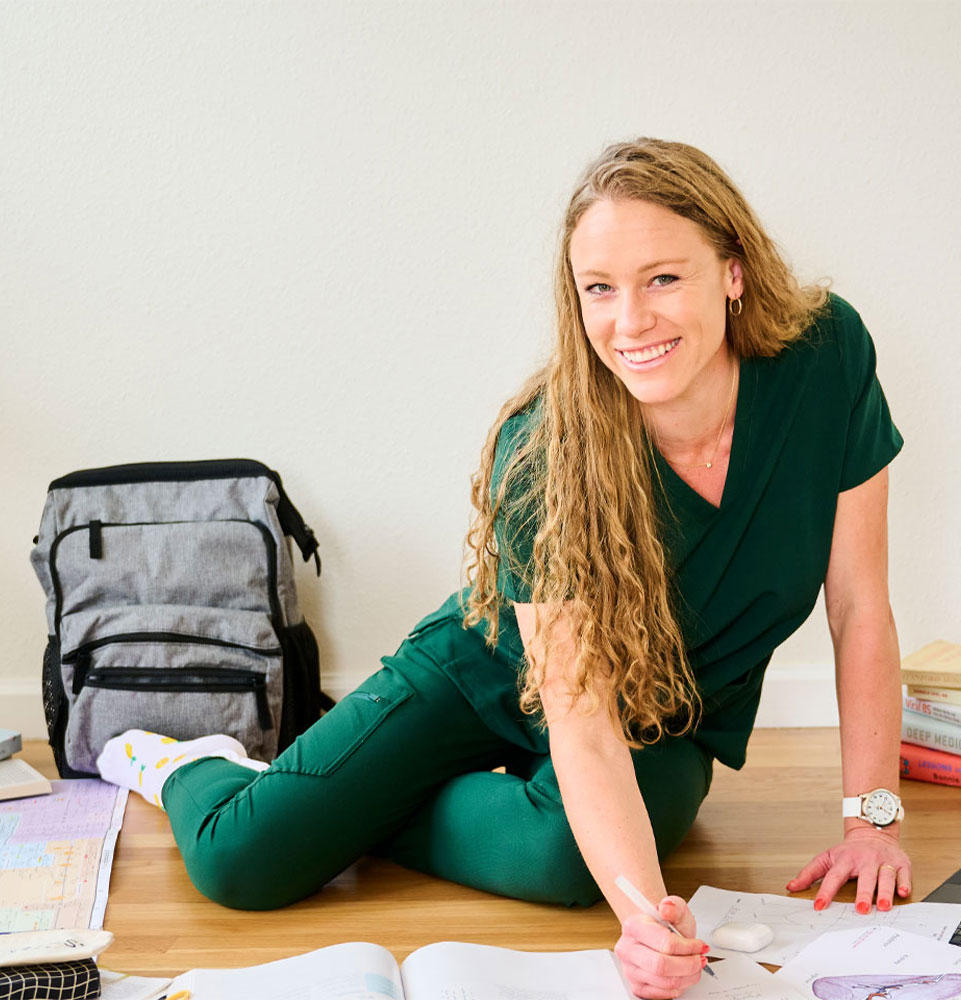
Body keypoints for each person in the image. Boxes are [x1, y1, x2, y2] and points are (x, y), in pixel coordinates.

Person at [97, 138, 909, 1000]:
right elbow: (578, 712)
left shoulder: (828, 358)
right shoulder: (545, 453)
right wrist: (643, 924)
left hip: (667, 716)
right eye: (600, 289)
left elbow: (859, 604)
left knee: (567, 860)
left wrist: (873, 822)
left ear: (733, 272)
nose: (630, 321)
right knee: (239, 860)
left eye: (663, 278)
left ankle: (358, 801)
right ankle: (190, 763)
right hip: (493, 668)